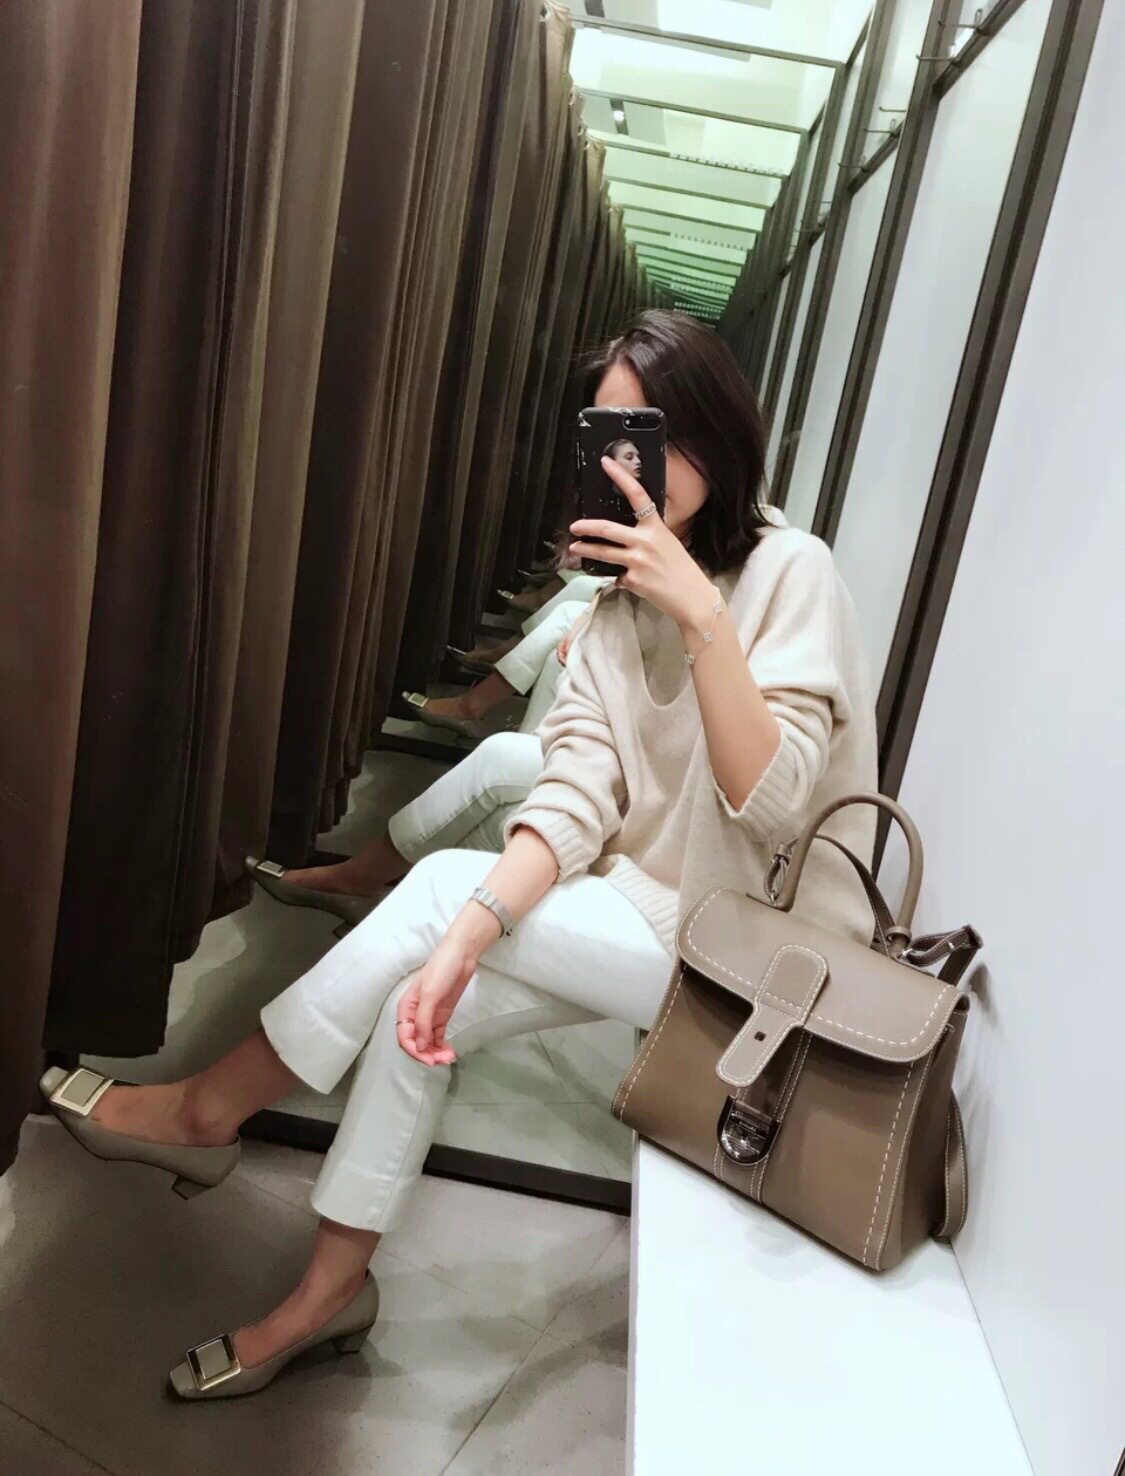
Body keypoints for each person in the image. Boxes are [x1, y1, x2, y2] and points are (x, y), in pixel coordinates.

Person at [41, 309, 880, 1401]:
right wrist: (459, 946)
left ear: (716, 437)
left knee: (444, 897)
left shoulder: (790, 570)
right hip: (647, 921)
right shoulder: (613, 614)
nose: (628, 466)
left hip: (761, 958)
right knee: (417, 1012)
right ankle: (327, 1297)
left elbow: (769, 805)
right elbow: (572, 800)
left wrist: (700, 617)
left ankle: (205, 1112)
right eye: (608, 436)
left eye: (653, 432)